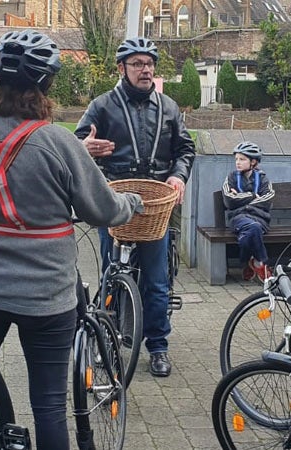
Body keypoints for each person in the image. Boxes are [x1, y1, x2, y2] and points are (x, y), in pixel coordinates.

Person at [0, 30, 142, 450]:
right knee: (48, 405)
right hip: (46, 295)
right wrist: (132, 203)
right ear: (46, 84)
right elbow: (102, 209)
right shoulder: (60, 143)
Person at [74, 36, 195, 377]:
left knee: (157, 281)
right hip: (113, 202)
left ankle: (157, 346)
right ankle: (106, 339)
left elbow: (185, 149)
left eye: (150, 63)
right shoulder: (101, 106)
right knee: (111, 274)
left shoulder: (169, 107)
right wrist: (86, 148)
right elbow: (76, 150)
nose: (146, 69)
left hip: (155, 204)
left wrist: (179, 176)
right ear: (122, 68)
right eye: (138, 64)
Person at [222, 141, 275, 281]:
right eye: (236, 159)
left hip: (260, 218)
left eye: (242, 159)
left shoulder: (263, 178)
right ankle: (261, 263)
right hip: (238, 218)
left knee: (251, 230)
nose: (238, 162)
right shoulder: (231, 177)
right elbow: (228, 200)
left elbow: (267, 200)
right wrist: (251, 196)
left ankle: (249, 263)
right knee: (253, 228)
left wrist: (241, 201)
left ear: (253, 162)